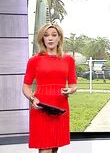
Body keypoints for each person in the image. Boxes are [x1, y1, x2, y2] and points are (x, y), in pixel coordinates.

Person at [22, 23, 77, 153]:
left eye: (54, 35)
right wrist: (32, 99)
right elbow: (26, 86)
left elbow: (73, 85)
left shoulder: (68, 59)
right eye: (46, 35)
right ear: (42, 39)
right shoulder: (34, 60)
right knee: (45, 147)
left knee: (54, 147)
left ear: (59, 38)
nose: (50, 38)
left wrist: (70, 90)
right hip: (41, 106)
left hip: (60, 106)